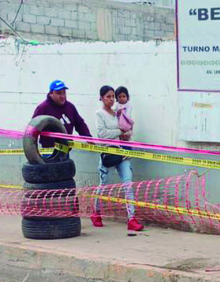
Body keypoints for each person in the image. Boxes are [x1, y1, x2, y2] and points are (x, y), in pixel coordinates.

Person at [91, 85, 143, 232]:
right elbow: (102, 134)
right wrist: (119, 131)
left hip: (122, 153)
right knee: (104, 185)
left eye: (113, 96)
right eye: (108, 96)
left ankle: (131, 218)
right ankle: (96, 212)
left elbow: (126, 129)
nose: (111, 99)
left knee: (128, 183)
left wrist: (126, 134)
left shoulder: (118, 113)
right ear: (101, 98)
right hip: (108, 154)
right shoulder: (99, 114)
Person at [32, 80, 91, 159]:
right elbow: (33, 129)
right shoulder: (42, 108)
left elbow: (80, 124)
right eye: (59, 93)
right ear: (51, 94)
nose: (62, 96)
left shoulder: (70, 107)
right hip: (49, 152)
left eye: (64, 93)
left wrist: (88, 137)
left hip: (65, 150)